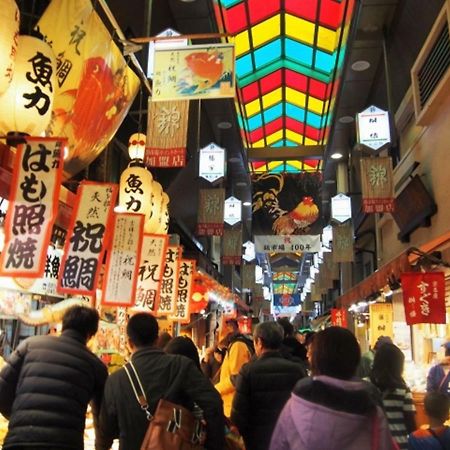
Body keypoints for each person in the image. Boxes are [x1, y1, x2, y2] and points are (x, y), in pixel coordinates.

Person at [98, 312, 224, 450]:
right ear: (157, 339)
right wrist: (214, 444)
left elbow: (105, 432)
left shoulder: (116, 380)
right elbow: (213, 402)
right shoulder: (181, 365)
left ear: (129, 343)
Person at [0, 305, 108, 450]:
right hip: (65, 444)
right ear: (90, 334)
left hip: (20, 440)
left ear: (63, 325)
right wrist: (101, 447)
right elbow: (101, 420)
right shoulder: (96, 366)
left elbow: (2, 391)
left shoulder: (30, 345)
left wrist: (19, 419)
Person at [270, 326, 395, 450]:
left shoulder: (295, 405)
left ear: (317, 359)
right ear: (355, 357)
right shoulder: (372, 408)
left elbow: (278, 445)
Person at [231, 321, 306, 450]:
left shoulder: (248, 371)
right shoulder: (297, 370)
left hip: (257, 440)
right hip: (289, 439)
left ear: (259, 342)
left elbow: (239, 414)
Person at [369, 343, 416, 450]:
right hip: (399, 444)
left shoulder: (365, 386)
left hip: (374, 444)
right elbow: (411, 425)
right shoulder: (403, 390)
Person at [215, 318, 253, 417]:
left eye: (219, 327)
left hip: (233, 407)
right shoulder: (233, 345)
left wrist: (216, 389)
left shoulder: (238, 346)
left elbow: (237, 378)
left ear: (230, 328)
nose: (217, 331)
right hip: (230, 406)